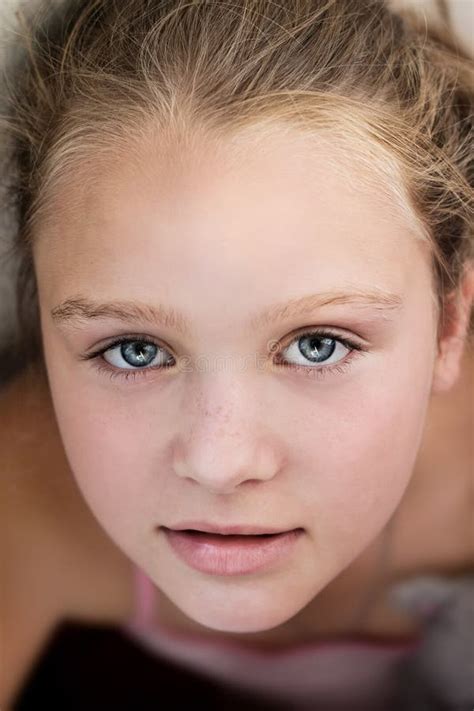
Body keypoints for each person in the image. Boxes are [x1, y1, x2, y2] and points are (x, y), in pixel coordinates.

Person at [0, 0, 472, 709]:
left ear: (450, 326)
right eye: (133, 349)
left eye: (318, 345)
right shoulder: (28, 501)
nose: (221, 463)